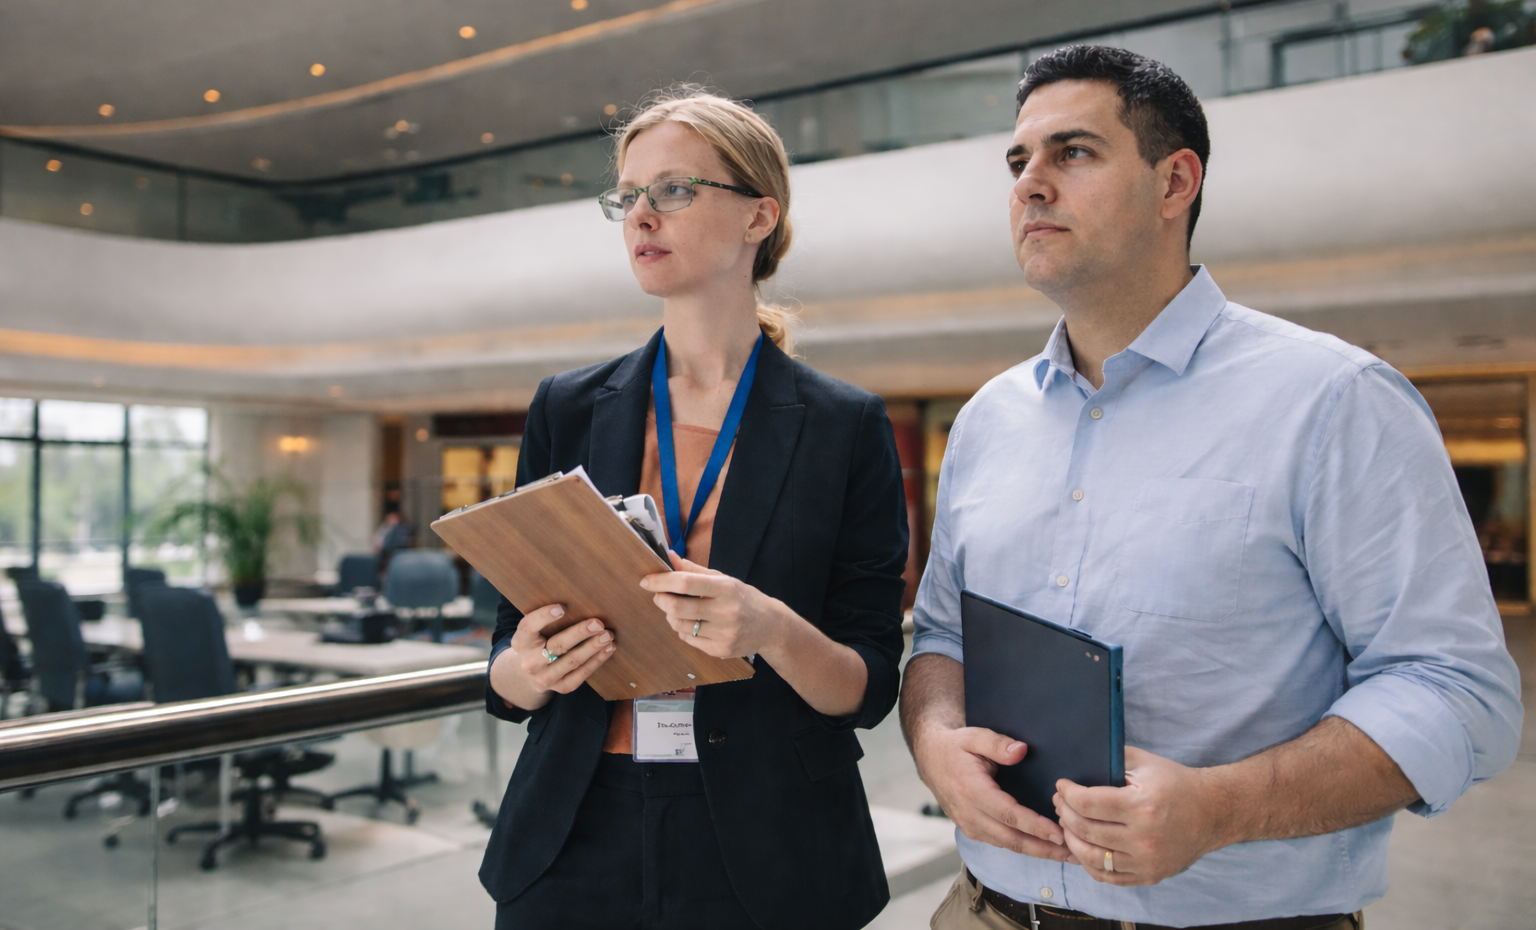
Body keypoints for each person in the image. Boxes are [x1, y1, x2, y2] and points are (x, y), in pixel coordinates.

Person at [901, 45, 1523, 930]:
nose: (1029, 183)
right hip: (984, 911)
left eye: (1071, 152)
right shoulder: (987, 421)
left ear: (1174, 180)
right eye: (1017, 160)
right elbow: (941, 639)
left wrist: (1222, 807)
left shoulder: (1333, 401)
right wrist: (933, 742)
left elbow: (1457, 690)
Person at [480, 87, 910, 929]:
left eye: (674, 190)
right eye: (628, 196)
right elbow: (505, 650)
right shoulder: (567, 407)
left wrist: (772, 630)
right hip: (575, 827)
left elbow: (869, 684)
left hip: (769, 836)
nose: (643, 216)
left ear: (759, 216)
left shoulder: (844, 424)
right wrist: (527, 670)